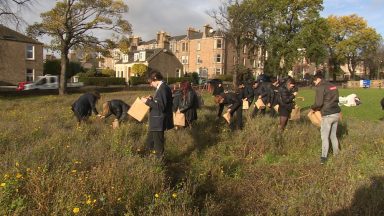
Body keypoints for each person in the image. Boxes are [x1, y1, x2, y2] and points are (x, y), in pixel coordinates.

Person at [141, 70, 174, 159]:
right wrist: (151, 99)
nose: (150, 84)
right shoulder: (162, 87)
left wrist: (147, 101)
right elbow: (160, 102)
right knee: (149, 142)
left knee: (158, 145)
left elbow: (161, 107)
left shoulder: (162, 88)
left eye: (150, 82)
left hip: (158, 122)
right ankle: (146, 158)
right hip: (156, 122)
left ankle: (160, 162)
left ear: (155, 78)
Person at [310, 71, 341, 164]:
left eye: (314, 82)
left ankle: (323, 158)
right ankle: (337, 155)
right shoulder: (333, 86)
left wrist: (313, 108)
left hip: (327, 115)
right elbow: (337, 99)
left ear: (318, 79)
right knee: (333, 136)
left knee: (324, 137)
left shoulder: (320, 87)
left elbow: (319, 103)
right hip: (336, 113)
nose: (315, 84)